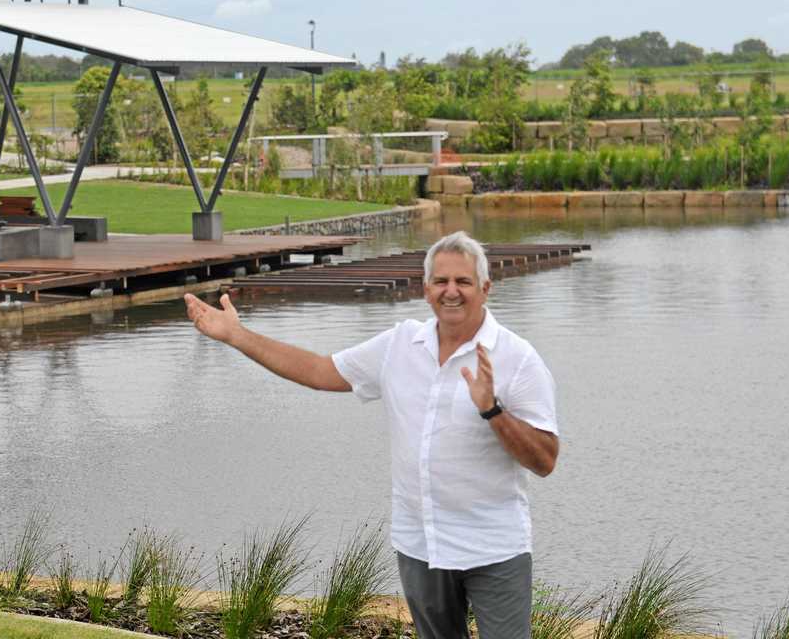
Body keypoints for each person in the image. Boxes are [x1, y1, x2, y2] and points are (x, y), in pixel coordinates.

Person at [182, 230, 558, 639]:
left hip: (494, 550)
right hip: (421, 545)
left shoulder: (518, 359)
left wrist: (492, 410)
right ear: (425, 288)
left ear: (485, 288)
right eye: (441, 281)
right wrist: (237, 335)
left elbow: (545, 460)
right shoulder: (399, 345)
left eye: (463, 282)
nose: (452, 291)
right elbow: (318, 372)